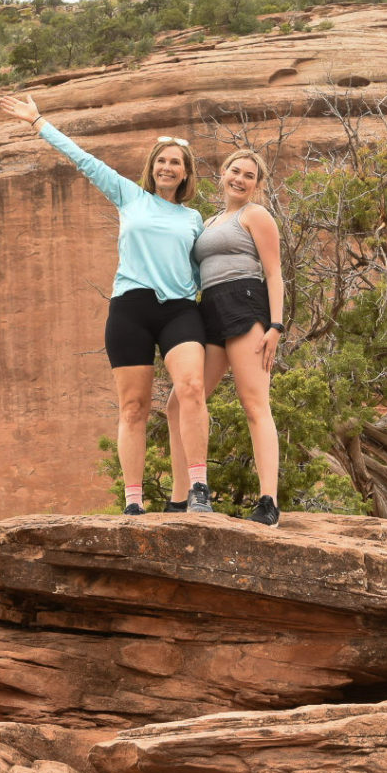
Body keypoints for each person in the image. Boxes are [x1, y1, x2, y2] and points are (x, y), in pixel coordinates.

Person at [0, 93, 213, 515]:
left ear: (187, 173)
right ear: (152, 166)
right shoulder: (129, 196)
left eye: (176, 163)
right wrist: (37, 121)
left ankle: (198, 489)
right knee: (133, 408)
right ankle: (134, 502)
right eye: (161, 161)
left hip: (180, 310)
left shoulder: (193, 219)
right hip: (131, 309)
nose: (167, 167)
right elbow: (82, 158)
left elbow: (203, 270)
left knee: (191, 388)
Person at [166, 149, 284, 526]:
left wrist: (276, 326)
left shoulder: (256, 215)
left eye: (249, 176)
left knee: (254, 404)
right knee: (180, 401)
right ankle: (183, 495)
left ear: (257, 185)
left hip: (245, 304)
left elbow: (274, 272)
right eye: (235, 171)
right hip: (209, 309)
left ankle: (269, 502)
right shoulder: (211, 220)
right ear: (222, 173)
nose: (240, 179)